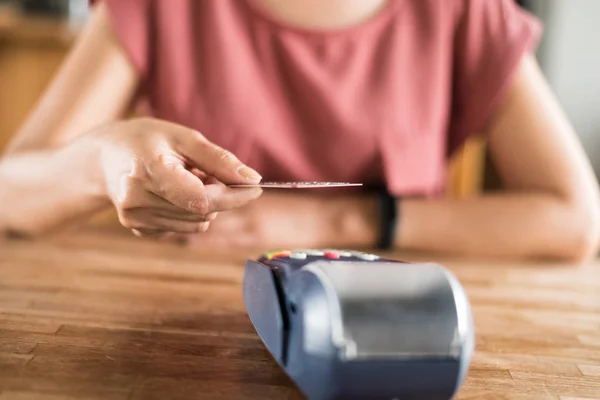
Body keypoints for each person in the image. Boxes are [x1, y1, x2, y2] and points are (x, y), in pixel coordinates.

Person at [0, 0, 598, 262]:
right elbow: (10, 194)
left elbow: (576, 218)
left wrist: (340, 222)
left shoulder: (464, 10)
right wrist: (102, 164)